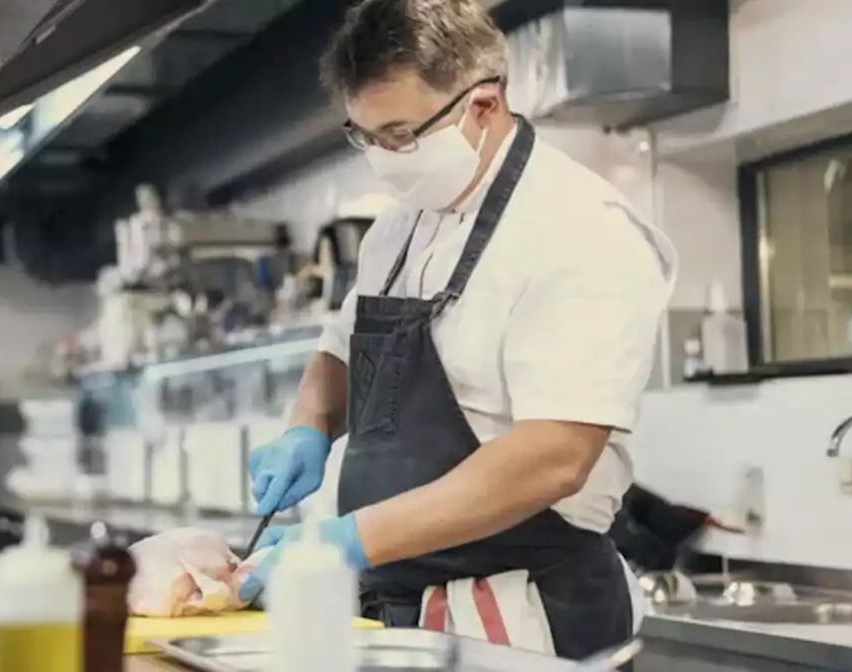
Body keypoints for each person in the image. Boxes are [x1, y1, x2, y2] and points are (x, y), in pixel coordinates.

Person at [237, 0, 676, 661]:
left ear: (482, 105)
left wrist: (346, 540)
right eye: (366, 137)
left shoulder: (582, 228)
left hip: (520, 616)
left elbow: (554, 456)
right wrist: (307, 427)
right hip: (402, 606)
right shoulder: (398, 226)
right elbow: (340, 350)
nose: (384, 158)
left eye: (401, 134)